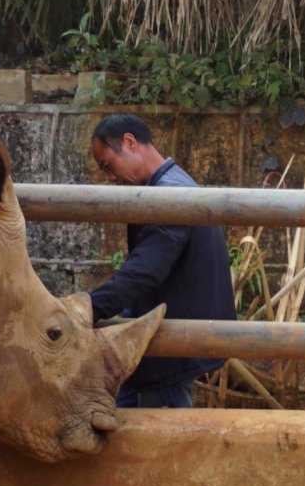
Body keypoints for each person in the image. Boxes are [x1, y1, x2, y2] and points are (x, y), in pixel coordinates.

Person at [88, 113, 235, 408]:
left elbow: (143, 272)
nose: (110, 177)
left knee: (159, 443)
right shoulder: (174, 184)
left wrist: (85, 307)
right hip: (169, 342)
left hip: (168, 350)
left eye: (108, 165)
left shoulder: (170, 194)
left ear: (129, 142)